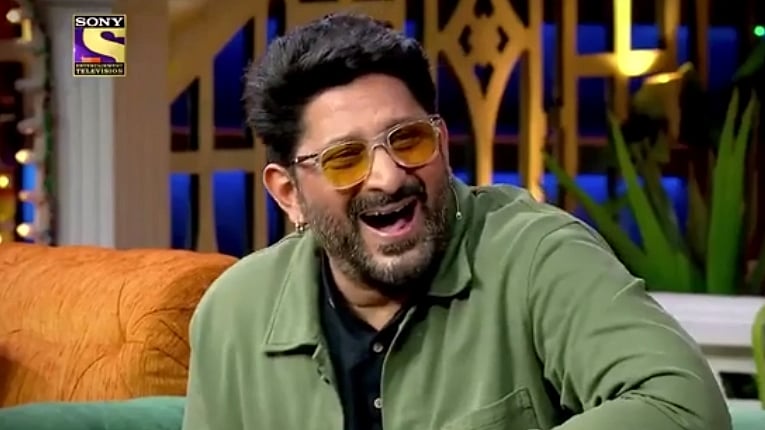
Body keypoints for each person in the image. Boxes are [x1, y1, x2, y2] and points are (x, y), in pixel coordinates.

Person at [182, 13, 730, 430]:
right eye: (345, 158)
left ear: (441, 144)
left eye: (409, 140)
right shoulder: (235, 314)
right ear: (289, 194)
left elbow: (683, 405)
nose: (388, 178)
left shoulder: (536, 253)